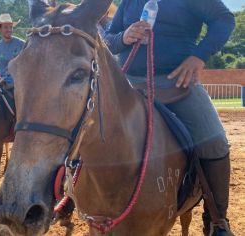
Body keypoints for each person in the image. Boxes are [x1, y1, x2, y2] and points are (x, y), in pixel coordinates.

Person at [105, 0, 235, 235]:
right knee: (82, 122)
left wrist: (199, 56)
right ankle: (63, 200)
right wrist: (124, 36)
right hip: (126, 86)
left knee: (214, 142)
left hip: (177, 83)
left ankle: (217, 219)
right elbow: (109, 39)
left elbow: (225, 19)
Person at [0, 14, 25, 85]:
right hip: (2, 84)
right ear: (0, 29)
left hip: (20, 84)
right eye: (6, 27)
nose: (9, 30)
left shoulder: (21, 44)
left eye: (11, 27)